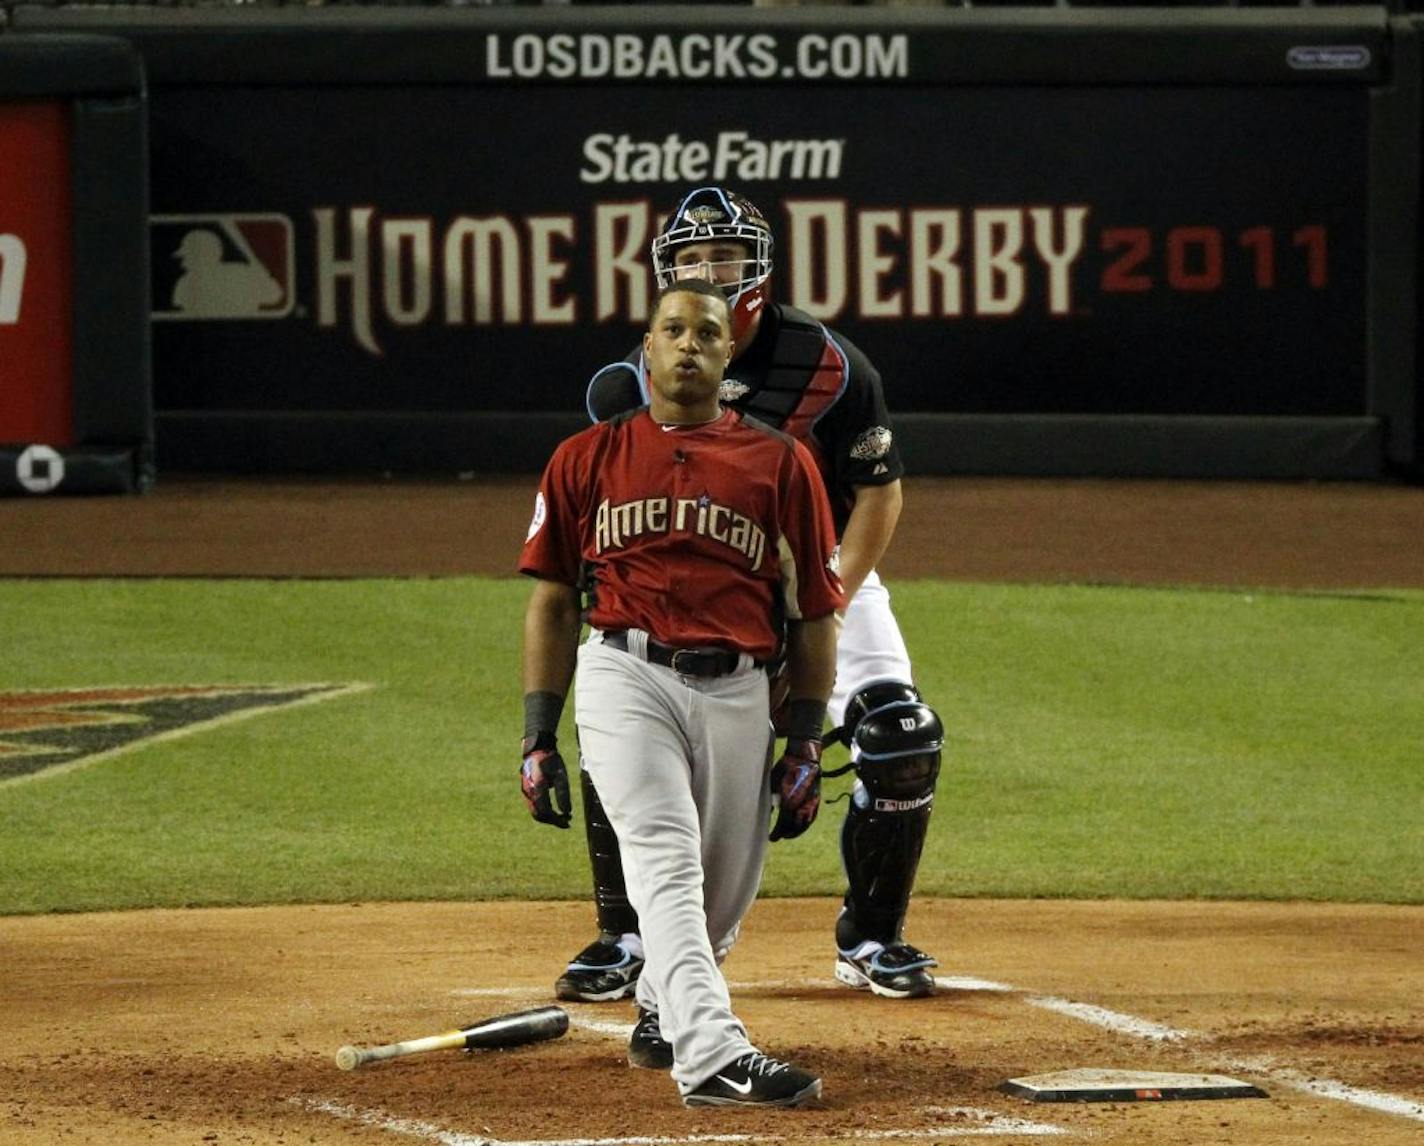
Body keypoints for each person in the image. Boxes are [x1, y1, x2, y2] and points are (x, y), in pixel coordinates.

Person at [559, 186, 945, 1005]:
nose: (708, 272)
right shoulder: (643, 370)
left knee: (903, 735)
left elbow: (881, 490)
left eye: (723, 257)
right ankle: (625, 931)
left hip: (818, 572)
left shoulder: (832, 367)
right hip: (700, 585)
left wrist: (830, 597)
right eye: (691, 261)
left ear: (757, 267)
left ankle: (873, 936)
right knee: (621, 711)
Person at [519, 278, 843, 1107]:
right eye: (673, 329)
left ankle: (664, 1007)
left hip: (738, 689)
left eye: (706, 331)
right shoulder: (582, 460)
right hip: (623, 674)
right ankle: (713, 1057)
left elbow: (813, 615)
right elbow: (553, 599)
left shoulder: (781, 463)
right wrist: (537, 735)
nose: (689, 343)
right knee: (663, 861)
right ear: (649, 348)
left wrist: (804, 737)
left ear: (728, 351)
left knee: (726, 885)